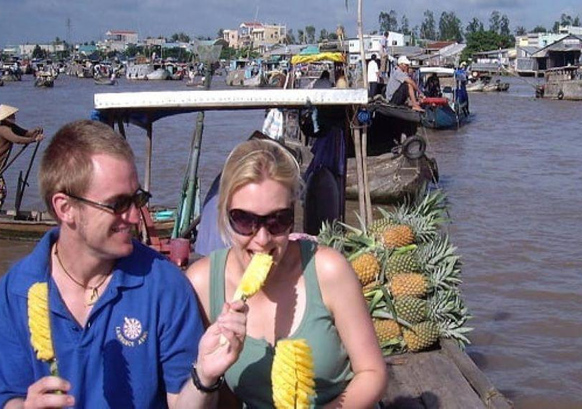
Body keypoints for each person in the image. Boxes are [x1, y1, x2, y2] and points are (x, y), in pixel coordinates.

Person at [0, 120, 247, 408]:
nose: (134, 216)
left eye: (137, 198)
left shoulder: (164, 285)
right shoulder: (15, 290)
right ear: (66, 209)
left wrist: (204, 378)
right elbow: (10, 395)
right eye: (118, 204)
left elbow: (182, 401)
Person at [186, 138, 387, 407]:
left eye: (278, 220)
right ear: (224, 213)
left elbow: (372, 373)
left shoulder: (328, 270)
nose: (262, 238)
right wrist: (207, 375)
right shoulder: (201, 284)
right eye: (245, 220)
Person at [0, 104, 44, 209]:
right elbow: (17, 139)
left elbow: (25, 133)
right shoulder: (3, 129)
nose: (14, 117)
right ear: (6, 118)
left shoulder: (11, 127)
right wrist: (34, 139)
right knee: (1, 191)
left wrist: (35, 132)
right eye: (12, 116)